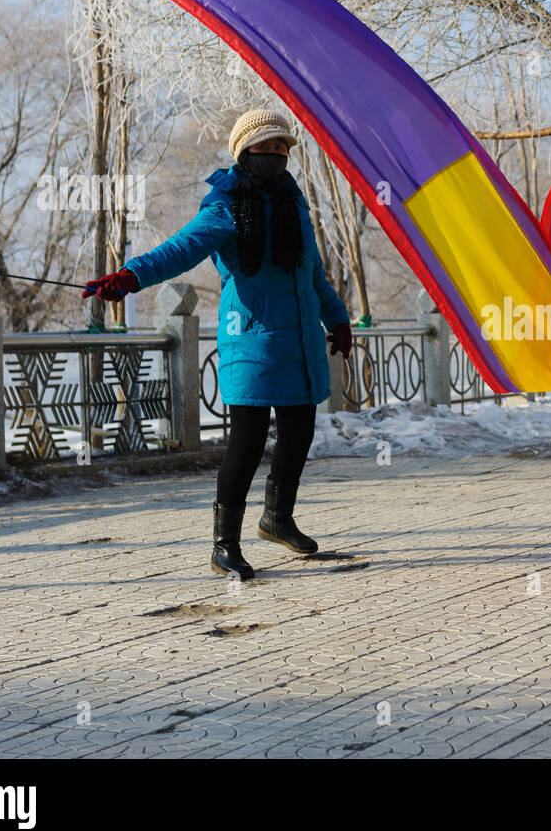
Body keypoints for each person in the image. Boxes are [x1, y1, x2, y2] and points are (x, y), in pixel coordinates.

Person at [83, 108, 352, 581]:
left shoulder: (297, 208)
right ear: (243, 153)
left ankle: (277, 518)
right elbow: (179, 250)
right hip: (251, 340)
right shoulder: (227, 207)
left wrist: (338, 320)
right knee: (247, 442)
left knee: (300, 433)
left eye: (280, 149)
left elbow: (314, 275)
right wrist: (129, 277)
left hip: (303, 343)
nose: (273, 156)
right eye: (263, 148)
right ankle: (224, 545)